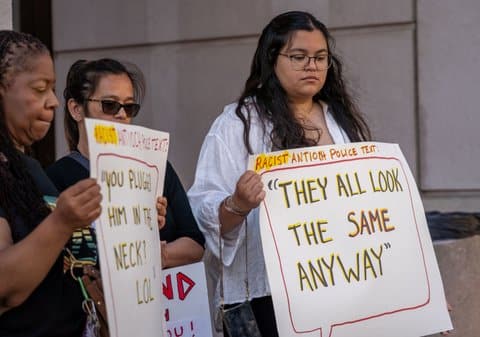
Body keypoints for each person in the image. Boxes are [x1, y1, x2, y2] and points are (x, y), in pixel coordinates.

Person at [187, 11, 371, 337]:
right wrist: (237, 203)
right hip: (267, 298)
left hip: (339, 288)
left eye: (320, 57)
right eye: (299, 57)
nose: (312, 66)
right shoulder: (238, 124)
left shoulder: (339, 121)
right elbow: (202, 212)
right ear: (272, 60)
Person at [46, 58, 205, 271]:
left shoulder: (155, 168)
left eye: (129, 107)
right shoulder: (57, 178)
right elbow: (64, 258)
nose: (121, 115)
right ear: (76, 109)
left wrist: (158, 255)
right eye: (109, 105)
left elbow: (195, 244)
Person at [0, 30, 102, 336]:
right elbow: (5, 287)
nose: (54, 102)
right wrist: (62, 221)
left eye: (53, 88)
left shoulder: (28, 168)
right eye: (40, 88)